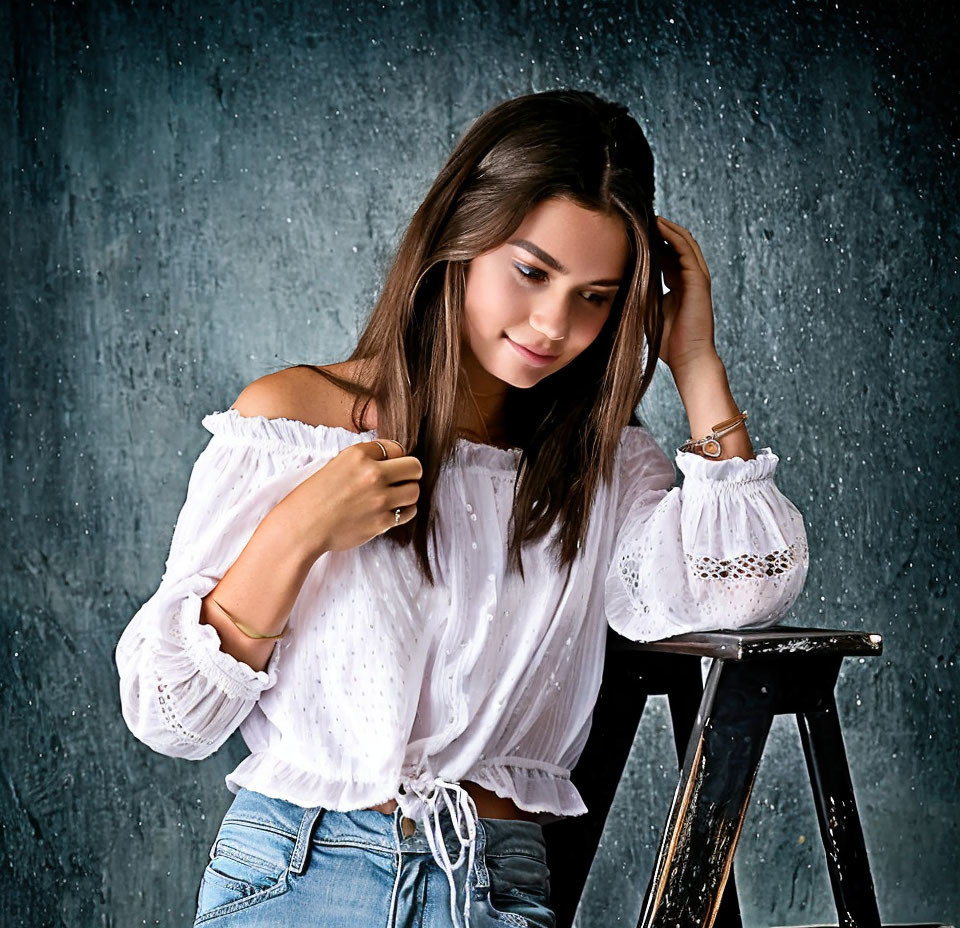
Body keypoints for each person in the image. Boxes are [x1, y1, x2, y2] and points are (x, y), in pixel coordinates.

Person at [114, 89, 809, 928]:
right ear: (460, 236)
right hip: (299, 873)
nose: (554, 324)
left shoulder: (606, 468)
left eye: (596, 296)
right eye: (531, 272)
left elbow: (743, 590)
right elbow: (167, 713)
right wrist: (295, 533)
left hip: (498, 886)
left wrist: (694, 359)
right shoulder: (298, 421)